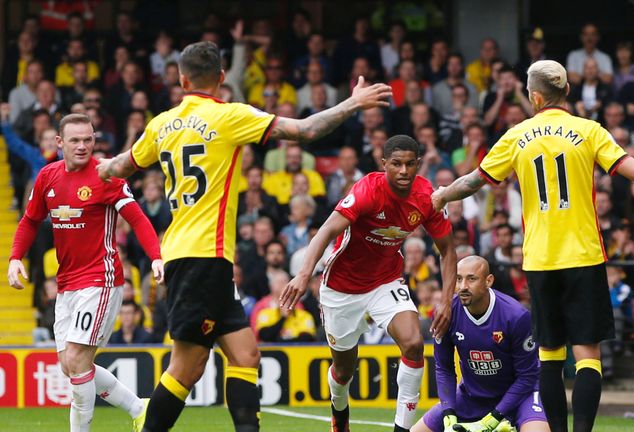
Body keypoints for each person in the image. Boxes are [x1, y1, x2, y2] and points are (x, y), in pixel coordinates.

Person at [430, 60, 634, 432]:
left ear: (534, 97)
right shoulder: (589, 130)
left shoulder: (517, 136)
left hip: (540, 260)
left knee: (548, 356)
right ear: (566, 92)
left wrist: (440, 195)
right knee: (587, 356)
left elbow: (472, 182)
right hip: (583, 255)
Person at [97, 41, 391, 432]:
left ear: (182, 80)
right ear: (221, 78)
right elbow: (304, 130)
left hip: (199, 259)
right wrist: (353, 103)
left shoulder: (160, 124)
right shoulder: (229, 116)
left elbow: (119, 166)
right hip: (200, 258)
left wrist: (96, 168)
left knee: (246, 353)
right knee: (187, 368)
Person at [280, 135, 457, 432]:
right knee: (344, 369)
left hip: (385, 281)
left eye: (410, 164)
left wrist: (447, 300)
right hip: (341, 287)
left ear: (418, 164)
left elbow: (448, 249)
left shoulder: (427, 197)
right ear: (384, 163)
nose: (404, 171)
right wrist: (303, 274)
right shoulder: (366, 192)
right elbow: (325, 230)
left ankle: (402, 429)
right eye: (397, 164)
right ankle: (339, 416)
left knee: (414, 344)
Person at [7, 113, 164, 432]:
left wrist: (157, 257)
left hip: (101, 280)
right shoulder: (47, 176)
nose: (82, 146)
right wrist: (15, 257)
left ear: (95, 139)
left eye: (88, 139)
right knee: (70, 365)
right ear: (59, 142)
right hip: (66, 285)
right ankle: (139, 407)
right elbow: (30, 220)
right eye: (75, 140)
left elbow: (137, 219)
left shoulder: (107, 174)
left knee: (77, 359)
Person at [412, 256, 550, 432]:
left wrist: (494, 417)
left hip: (520, 398)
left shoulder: (516, 316)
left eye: (472, 279)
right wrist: (448, 412)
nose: (463, 287)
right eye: (458, 279)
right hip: (471, 397)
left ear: (488, 281)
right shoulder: (445, 313)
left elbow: (528, 376)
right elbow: (444, 367)